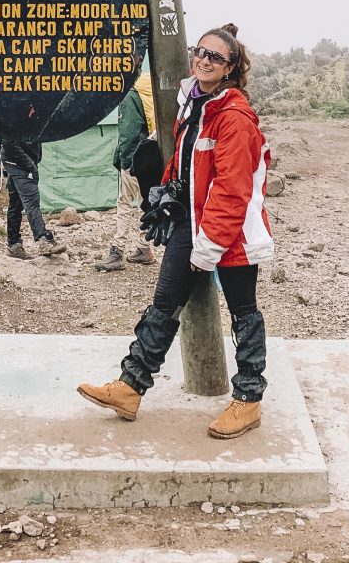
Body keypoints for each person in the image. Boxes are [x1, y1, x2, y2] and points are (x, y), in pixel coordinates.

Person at [77, 24, 274, 440]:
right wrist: (164, 191)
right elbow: (187, 163)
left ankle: (249, 400)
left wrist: (212, 244)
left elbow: (233, 187)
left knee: (244, 312)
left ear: (231, 67)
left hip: (231, 231)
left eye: (215, 57)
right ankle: (130, 387)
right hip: (191, 220)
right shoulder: (194, 104)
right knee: (163, 304)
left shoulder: (234, 116)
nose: (203, 59)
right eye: (199, 51)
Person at [95, 73, 156, 272]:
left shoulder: (129, 97)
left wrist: (124, 162)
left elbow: (128, 134)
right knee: (143, 203)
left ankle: (117, 251)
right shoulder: (147, 90)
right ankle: (143, 248)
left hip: (134, 160)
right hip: (150, 157)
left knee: (125, 204)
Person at [2, 137, 67, 259]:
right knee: (31, 201)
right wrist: (29, 164)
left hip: (15, 161)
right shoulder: (17, 118)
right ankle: (43, 240)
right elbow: (8, 141)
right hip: (20, 164)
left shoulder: (28, 118)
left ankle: (13, 245)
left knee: (15, 204)